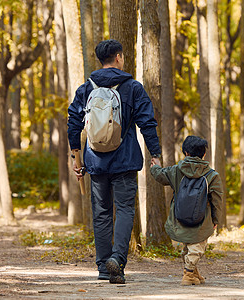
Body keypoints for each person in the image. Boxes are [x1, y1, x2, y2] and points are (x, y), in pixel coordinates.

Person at [67, 39, 161, 284]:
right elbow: (147, 123)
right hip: (125, 159)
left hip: (95, 160)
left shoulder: (86, 88)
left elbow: (73, 122)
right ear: (119, 57)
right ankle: (117, 261)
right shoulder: (133, 88)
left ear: (100, 60)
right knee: (126, 210)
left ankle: (101, 265)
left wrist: (75, 155)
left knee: (101, 212)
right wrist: (155, 154)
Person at [150, 135, 223, 285]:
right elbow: (217, 200)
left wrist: (155, 166)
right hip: (203, 219)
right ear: (203, 154)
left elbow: (160, 175)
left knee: (188, 244)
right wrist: (215, 220)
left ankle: (193, 272)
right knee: (197, 245)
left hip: (179, 216)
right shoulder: (212, 175)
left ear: (186, 153)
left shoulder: (176, 170)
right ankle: (189, 274)